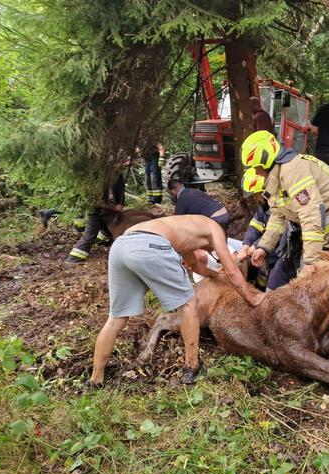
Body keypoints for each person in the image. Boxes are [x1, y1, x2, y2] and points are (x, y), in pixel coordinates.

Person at [89, 215, 264, 387]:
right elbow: (232, 270)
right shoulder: (215, 228)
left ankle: (96, 378)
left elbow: (195, 266)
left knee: (116, 317)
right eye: (214, 250)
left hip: (121, 245)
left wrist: (216, 274)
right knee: (188, 305)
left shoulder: (186, 229)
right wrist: (252, 297)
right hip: (150, 245)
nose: (213, 252)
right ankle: (192, 366)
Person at [241, 130, 329, 284]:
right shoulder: (279, 175)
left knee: (315, 283)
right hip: (321, 227)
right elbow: (278, 216)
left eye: (254, 167)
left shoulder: (294, 171)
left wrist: (311, 261)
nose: (254, 172)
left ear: (265, 161)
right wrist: (264, 247)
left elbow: (311, 214)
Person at [238, 168, 300, 291]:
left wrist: (256, 246)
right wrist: (246, 244)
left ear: (264, 192)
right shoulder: (263, 205)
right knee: (262, 273)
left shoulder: (282, 203)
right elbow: (255, 225)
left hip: (283, 249)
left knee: (274, 278)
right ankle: (260, 292)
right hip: (267, 248)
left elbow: (279, 230)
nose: (254, 198)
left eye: (255, 194)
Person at [66, 173, 125, 263]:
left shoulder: (117, 174)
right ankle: (73, 258)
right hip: (95, 212)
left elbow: (121, 190)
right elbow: (96, 202)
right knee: (89, 237)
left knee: (110, 231)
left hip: (109, 213)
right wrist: (114, 208)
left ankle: (103, 239)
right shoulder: (95, 178)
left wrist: (120, 203)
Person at [164, 157, 231, 232]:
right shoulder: (195, 191)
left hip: (215, 220)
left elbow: (178, 223)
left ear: (173, 191)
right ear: (182, 185)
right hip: (224, 214)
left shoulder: (181, 201)